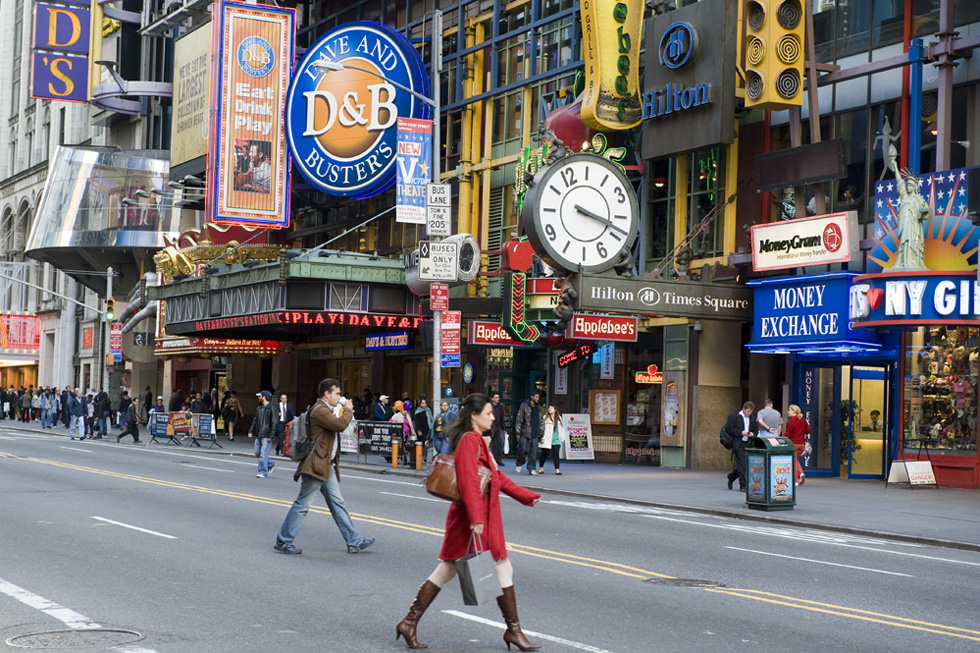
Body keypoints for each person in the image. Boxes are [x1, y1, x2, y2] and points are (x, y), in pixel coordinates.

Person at [395, 392, 542, 651]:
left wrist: (526, 496)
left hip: (478, 516)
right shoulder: (469, 441)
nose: (492, 417)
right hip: (473, 518)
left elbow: (495, 477)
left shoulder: (477, 441)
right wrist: (476, 519)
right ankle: (513, 631)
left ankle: (409, 622)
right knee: (500, 567)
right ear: (474, 416)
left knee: (449, 569)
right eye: (488, 413)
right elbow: (468, 482)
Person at [274, 378, 375, 555]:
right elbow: (339, 425)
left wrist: (343, 407)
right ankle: (284, 540)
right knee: (303, 504)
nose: (339, 396)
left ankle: (353, 540)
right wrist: (349, 409)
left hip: (325, 464)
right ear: (327, 394)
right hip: (316, 465)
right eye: (337, 393)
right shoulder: (320, 410)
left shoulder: (326, 408)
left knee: (337, 503)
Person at [724, 401, 758, 491]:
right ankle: (743, 485)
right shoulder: (734, 417)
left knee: (746, 465)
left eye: (750, 412)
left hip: (748, 443)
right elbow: (729, 428)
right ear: (743, 409)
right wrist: (740, 433)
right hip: (738, 443)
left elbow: (755, 430)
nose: (749, 414)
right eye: (747, 411)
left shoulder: (752, 418)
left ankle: (731, 477)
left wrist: (752, 434)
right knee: (742, 464)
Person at [248, 390, 277, 479]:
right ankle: (271, 463)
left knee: (263, 454)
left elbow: (275, 422)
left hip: (266, 435)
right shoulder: (259, 408)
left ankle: (263, 472)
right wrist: (251, 431)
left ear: (264, 397)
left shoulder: (272, 408)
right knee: (257, 452)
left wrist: (271, 436)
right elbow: (255, 420)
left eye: (260, 396)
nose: (258, 398)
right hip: (259, 434)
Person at [514, 391, 543, 475]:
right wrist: (518, 431)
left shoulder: (538, 408)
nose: (537, 399)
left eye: (538, 397)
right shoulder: (524, 405)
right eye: (536, 397)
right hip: (524, 432)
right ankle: (520, 462)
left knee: (533, 452)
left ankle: (531, 468)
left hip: (535, 433)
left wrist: (541, 433)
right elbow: (519, 418)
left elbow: (541, 420)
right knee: (523, 449)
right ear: (532, 397)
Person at [785, 404, 811, 486]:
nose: (788, 412)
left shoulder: (790, 422)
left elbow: (787, 435)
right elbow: (809, 430)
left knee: (793, 461)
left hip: (793, 444)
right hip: (802, 444)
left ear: (793, 411)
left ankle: (795, 480)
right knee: (795, 460)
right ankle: (801, 474)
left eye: (789, 410)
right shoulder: (803, 420)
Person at [537, 404, 567, 475]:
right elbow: (541, 428)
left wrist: (562, 438)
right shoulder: (545, 418)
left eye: (551, 408)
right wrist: (542, 437)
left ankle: (557, 469)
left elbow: (561, 429)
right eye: (549, 408)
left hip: (556, 439)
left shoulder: (559, 418)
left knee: (556, 454)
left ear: (555, 410)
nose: (550, 409)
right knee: (545, 454)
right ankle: (541, 467)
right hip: (547, 438)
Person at [489, 392, 506, 466]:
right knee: (490, 444)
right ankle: (490, 459)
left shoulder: (500, 407)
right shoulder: (489, 407)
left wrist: (504, 428)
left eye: (498, 397)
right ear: (492, 398)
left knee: (501, 442)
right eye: (496, 398)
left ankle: (499, 459)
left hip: (499, 427)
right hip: (491, 427)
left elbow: (502, 418)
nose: (497, 399)